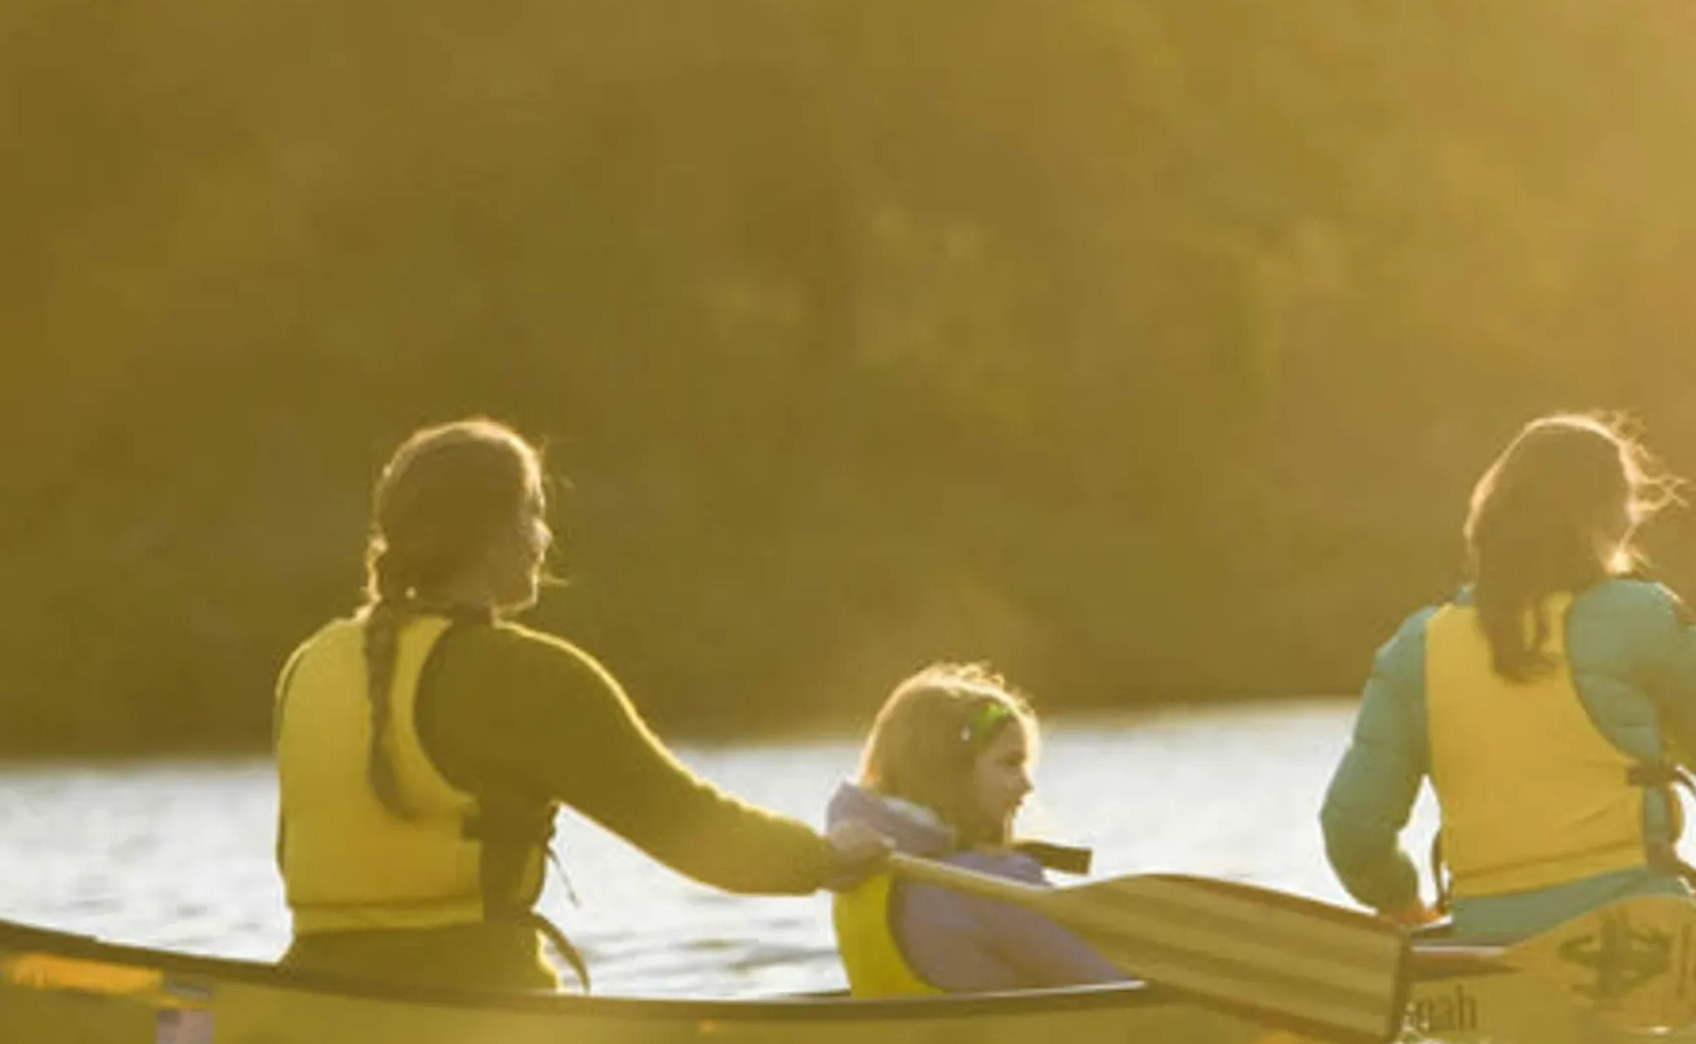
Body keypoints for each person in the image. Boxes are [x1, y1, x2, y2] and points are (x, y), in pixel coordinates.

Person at [274, 417, 887, 990]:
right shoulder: (527, 676)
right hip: (476, 1002)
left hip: (307, 995)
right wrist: (822, 859)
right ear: (490, 537)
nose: (545, 537)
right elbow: (690, 829)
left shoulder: (308, 664)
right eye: (534, 512)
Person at [1320, 410, 1696, 945]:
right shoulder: (1648, 616)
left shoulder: (1415, 650)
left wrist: (1405, 907)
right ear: (1609, 518)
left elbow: (1353, 835)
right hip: (1643, 933)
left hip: (1487, 944)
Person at [827, 662, 1123, 994]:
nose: (1027, 785)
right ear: (947, 774)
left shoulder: (860, 877)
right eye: (1011, 763)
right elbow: (1111, 980)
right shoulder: (990, 884)